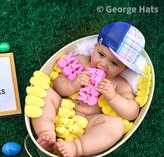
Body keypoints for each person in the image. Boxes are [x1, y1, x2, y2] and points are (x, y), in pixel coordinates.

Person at [31, 22, 145, 157]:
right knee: (44, 91)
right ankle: (46, 134)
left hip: (89, 121)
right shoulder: (80, 61)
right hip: (61, 107)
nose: (103, 64)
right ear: (95, 47)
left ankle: (77, 147)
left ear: (123, 68)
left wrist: (113, 97)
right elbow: (57, 85)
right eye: (101, 54)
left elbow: (132, 113)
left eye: (114, 63)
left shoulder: (120, 84)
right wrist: (73, 84)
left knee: (116, 126)